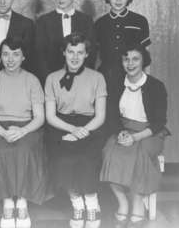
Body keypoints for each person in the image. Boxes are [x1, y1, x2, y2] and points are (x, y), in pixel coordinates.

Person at [0, 37, 51, 228]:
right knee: (1, 152)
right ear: (0, 57)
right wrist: (4, 132)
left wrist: (22, 131)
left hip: (27, 127)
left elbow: (40, 117)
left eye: (16, 54)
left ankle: (23, 201)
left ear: (23, 57)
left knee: (25, 150)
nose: (11, 59)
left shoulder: (32, 80)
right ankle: (7, 202)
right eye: (6, 54)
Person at [100, 44, 169, 228]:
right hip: (124, 129)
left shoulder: (156, 86)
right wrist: (120, 132)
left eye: (135, 59)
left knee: (140, 153)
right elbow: (112, 116)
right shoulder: (116, 85)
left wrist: (136, 137)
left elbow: (159, 122)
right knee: (109, 152)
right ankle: (123, 201)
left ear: (144, 61)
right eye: (126, 59)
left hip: (149, 133)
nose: (130, 63)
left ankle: (137, 202)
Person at [45, 32, 107, 228]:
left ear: (87, 54)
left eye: (80, 52)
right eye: (71, 52)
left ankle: (92, 203)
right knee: (63, 159)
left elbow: (100, 116)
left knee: (88, 158)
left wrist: (83, 131)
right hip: (61, 125)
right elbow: (50, 116)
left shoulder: (97, 77)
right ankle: (77, 204)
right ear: (63, 52)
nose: (75, 57)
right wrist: (72, 130)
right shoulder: (52, 78)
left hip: (90, 125)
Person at [95, 0, 151, 106]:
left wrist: (146, 80)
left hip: (132, 75)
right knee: (110, 111)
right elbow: (97, 56)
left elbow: (146, 55)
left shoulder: (140, 21)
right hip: (106, 76)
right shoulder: (100, 23)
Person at [35, 0, 96, 83]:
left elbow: (91, 53)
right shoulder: (43, 21)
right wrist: (49, 80)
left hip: (81, 80)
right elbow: (40, 55)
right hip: (51, 79)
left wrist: (82, 79)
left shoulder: (86, 20)